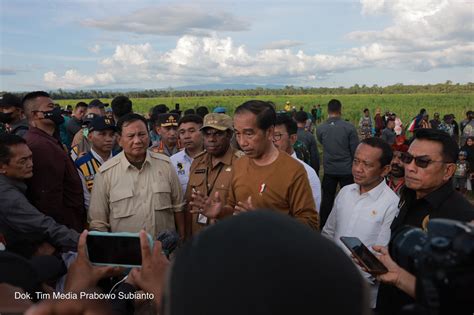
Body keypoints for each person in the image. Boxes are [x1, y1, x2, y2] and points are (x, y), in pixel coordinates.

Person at [376, 128, 474, 314]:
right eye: (407, 158)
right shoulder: (409, 195)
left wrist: (401, 279)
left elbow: (458, 300)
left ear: (448, 170)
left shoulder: (462, 220)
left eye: (422, 162)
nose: (410, 167)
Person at [191, 100, 319, 230]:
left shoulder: (294, 171)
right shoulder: (239, 165)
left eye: (248, 134)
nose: (242, 142)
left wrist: (264, 224)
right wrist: (221, 212)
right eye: (238, 134)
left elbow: (310, 225)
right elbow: (234, 209)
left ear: (269, 132)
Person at [322, 137, 399, 307]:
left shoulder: (391, 204)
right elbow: (328, 232)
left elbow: (381, 253)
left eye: (367, 164)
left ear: (385, 170)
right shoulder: (345, 192)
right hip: (332, 280)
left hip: (364, 292)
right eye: (356, 161)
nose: (358, 169)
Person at [89, 113, 185, 240]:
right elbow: (98, 223)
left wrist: (182, 240)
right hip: (126, 256)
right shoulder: (105, 174)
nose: (137, 141)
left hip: (163, 254)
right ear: (119, 140)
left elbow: (178, 207)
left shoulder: (166, 165)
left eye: (142, 134)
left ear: (149, 135)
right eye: (130, 136)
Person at [0, 134, 79, 258]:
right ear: (2, 167)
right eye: (23, 161)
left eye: (31, 158)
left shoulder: (12, 185)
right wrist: (83, 242)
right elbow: (42, 225)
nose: (30, 164)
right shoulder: (7, 196)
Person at [23, 91, 86, 232]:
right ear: (35, 114)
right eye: (51, 107)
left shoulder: (48, 141)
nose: (56, 110)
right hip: (64, 229)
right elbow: (47, 196)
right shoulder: (40, 146)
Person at [185, 113, 242, 237]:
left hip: (226, 237)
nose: (211, 139)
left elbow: (243, 209)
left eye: (218, 134)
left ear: (229, 135)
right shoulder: (197, 161)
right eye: (207, 134)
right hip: (198, 236)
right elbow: (189, 203)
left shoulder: (241, 163)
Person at [316, 99, 359, 227]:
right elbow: (355, 150)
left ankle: (324, 225)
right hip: (346, 170)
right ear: (340, 110)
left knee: (327, 200)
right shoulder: (349, 127)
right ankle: (347, 224)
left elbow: (322, 142)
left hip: (329, 169)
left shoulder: (321, 128)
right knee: (349, 199)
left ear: (328, 111)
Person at [273, 113, 321, 211]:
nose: (271, 140)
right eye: (268, 135)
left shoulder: (307, 174)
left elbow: (309, 218)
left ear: (293, 139)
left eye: (277, 135)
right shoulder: (259, 168)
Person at [75, 116, 117, 210]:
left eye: (112, 134)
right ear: (90, 137)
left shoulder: (122, 159)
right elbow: (86, 200)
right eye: (103, 134)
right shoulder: (81, 165)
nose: (109, 139)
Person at [170, 114, 204, 195]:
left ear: (203, 132)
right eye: (182, 132)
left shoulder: (212, 158)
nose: (186, 136)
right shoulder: (173, 161)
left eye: (191, 131)